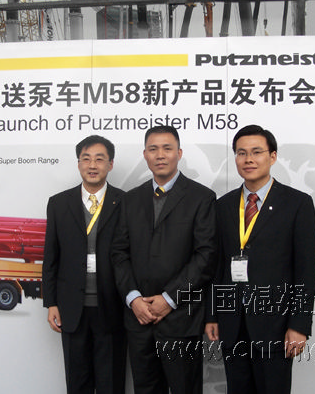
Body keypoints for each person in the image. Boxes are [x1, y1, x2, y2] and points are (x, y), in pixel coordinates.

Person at [205, 124, 315, 394]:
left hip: (275, 324)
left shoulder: (297, 203)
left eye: (257, 152)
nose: (249, 159)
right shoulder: (223, 206)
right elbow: (216, 266)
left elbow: (306, 270)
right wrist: (212, 315)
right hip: (232, 322)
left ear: (273, 156)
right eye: (241, 153)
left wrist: (299, 325)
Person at [112, 125, 217, 394]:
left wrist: (169, 299)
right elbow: (119, 254)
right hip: (139, 319)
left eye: (167, 148)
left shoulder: (201, 197)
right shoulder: (130, 200)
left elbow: (205, 256)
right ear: (145, 155)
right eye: (153, 149)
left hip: (181, 319)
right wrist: (134, 299)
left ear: (179, 153)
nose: (160, 155)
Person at [42, 135, 126, 394]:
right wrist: (51, 302)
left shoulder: (126, 202)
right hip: (71, 308)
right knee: (77, 383)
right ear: (78, 163)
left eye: (99, 159)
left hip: (112, 308)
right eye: (86, 159)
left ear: (110, 164)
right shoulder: (59, 203)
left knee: (111, 383)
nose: (92, 165)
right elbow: (51, 256)